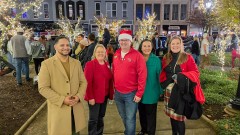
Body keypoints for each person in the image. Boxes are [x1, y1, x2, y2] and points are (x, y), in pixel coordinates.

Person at [38, 36, 87, 135]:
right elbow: (43, 88)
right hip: (59, 110)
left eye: (67, 45)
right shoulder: (47, 64)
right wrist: (62, 100)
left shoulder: (76, 63)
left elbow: (83, 82)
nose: (66, 47)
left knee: (75, 132)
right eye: (62, 45)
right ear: (55, 46)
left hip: (75, 109)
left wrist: (78, 97)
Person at [159, 36, 203, 135]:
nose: (175, 45)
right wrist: (164, 84)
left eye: (177, 43)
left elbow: (196, 73)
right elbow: (163, 73)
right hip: (169, 91)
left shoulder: (187, 57)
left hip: (180, 92)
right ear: (170, 45)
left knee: (179, 118)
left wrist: (180, 76)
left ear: (181, 44)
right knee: (172, 116)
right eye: (173, 44)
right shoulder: (166, 57)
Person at [112, 29, 147, 135]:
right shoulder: (116, 53)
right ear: (119, 41)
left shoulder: (137, 55)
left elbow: (142, 75)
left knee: (130, 118)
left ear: (130, 41)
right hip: (118, 93)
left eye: (126, 40)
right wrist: (113, 88)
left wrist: (139, 93)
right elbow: (113, 71)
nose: (123, 42)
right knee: (124, 116)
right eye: (121, 40)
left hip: (131, 93)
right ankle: (128, 132)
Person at [84, 44, 114, 135]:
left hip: (104, 96)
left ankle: (99, 133)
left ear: (105, 53)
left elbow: (109, 79)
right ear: (95, 53)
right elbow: (87, 83)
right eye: (98, 52)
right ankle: (92, 133)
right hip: (94, 97)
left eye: (102, 52)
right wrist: (90, 97)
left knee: (101, 116)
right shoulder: (90, 65)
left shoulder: (106, 65)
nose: (100, 53)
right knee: (94, 118)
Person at [137, 39, 163, 135]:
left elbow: (160, 77)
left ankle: (151, 132)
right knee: (142, 113)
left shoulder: (156, 60)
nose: (147, 48)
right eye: (145, 46)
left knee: (151, 115)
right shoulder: (138, 58)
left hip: (152, 92)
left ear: (152, 47)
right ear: (141, 47)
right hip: (140, 92)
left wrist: (161, 91)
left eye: (149, 46)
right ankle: (143, 130)